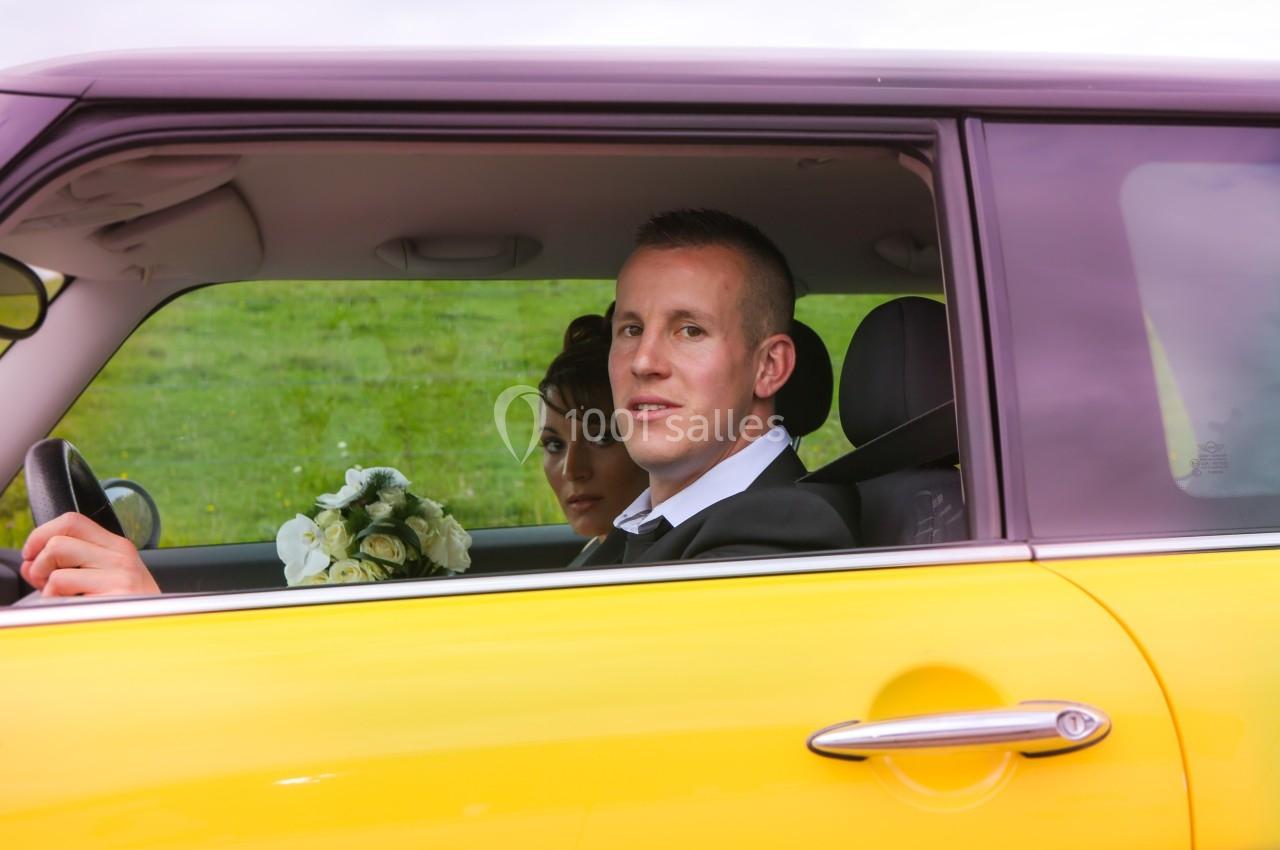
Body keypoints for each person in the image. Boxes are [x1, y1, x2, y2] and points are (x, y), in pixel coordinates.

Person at [580, 208, 853, 566]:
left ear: (769, 367)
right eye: (632, 329)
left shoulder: (780, 537)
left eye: (690, 331)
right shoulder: (642, 525)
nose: (643, 362)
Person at [538, 312, 649, 566]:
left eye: (601, 438)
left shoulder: (654, 568)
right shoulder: (605, 545)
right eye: (555, 445)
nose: (571, 470)